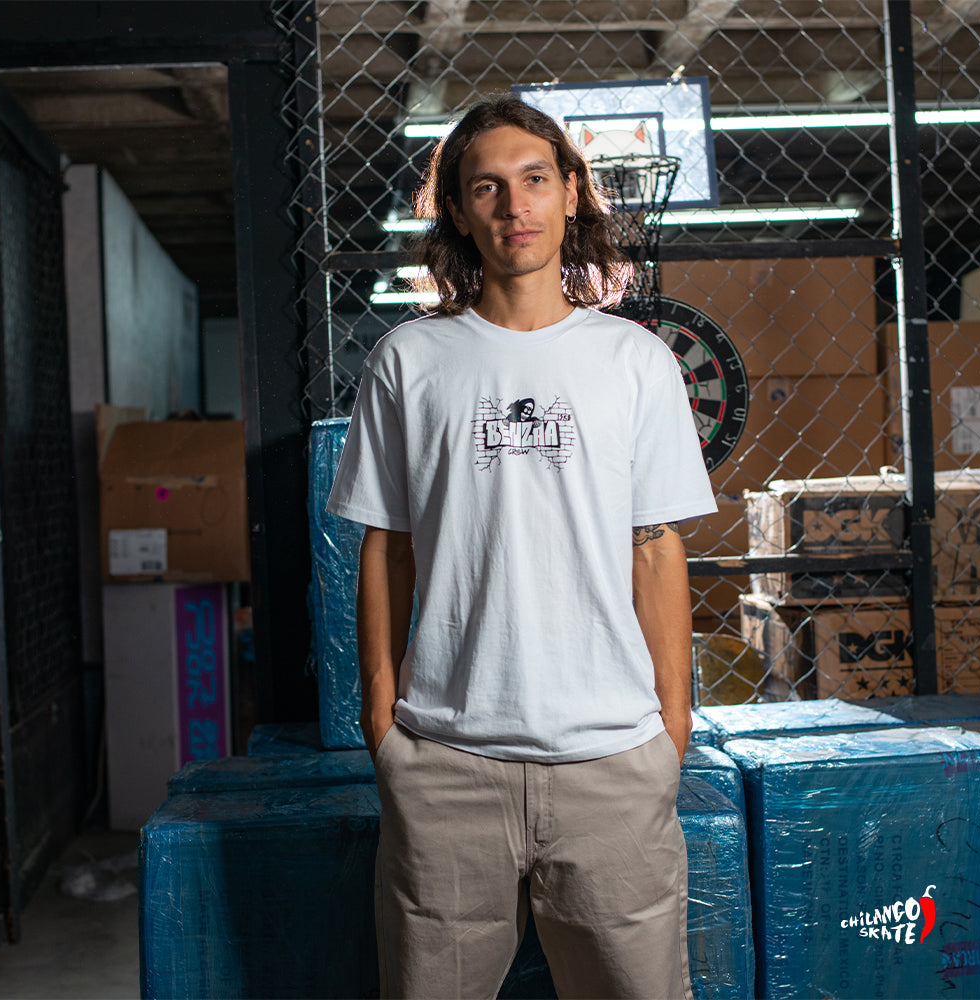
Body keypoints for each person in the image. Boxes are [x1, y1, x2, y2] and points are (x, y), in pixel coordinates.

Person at [326, 94, 717, 999]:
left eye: (535, 178)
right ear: (459, 213)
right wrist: (383, 722)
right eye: (487, 187)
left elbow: (655, 546)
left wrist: (671, 729)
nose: (516, 205)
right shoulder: (410, 359)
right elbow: (387, 547)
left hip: (613, 761)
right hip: (447, 764)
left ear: (572, 193)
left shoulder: (634, 361)